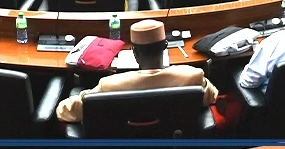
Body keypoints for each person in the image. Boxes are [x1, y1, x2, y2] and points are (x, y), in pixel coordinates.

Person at [56, 19, 217, 123]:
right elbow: (211, 96)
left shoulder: (109, 85)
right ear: (165, 46)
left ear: (134, 52)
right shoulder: (192, 76)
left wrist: (76, 97)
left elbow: (65, 111)